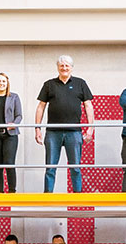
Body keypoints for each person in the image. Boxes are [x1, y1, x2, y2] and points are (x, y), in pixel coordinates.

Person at [35, 55, 94, 193]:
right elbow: (41, 107)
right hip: (53, 132)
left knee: (75, 168)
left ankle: (77, 197)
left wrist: (90, 128)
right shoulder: (49, 84)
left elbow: (88, 106)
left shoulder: (80, 83)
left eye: (67, 65)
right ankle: (48, 197)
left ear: (71, 68)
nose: (64, 68)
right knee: (50, 168)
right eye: (61, 65)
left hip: (74, 132)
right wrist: (37, 129)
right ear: (57, 67)